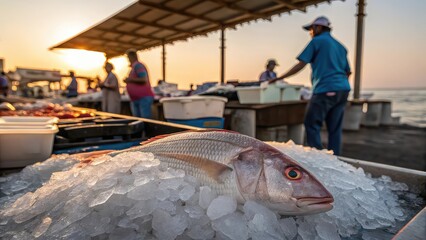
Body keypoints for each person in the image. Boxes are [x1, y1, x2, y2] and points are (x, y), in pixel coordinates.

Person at [269, 16, 351, 155]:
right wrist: (339, 85)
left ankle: (318, 159)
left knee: (311, 124)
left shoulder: (317, 41)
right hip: (343, 89)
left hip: (325, 89)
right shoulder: (341, 46)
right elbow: (348, 71)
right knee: (335, 128)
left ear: (318, 28)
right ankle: (335, 159)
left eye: (311, 29)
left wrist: (279, 78)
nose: (310, 32)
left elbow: (301, 64)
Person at [124, 49, 155, 118]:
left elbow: (144, 79)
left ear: (133, 56)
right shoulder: (133, 67)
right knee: (138, 121)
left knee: (145, 121)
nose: (128, 59)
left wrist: (130, 80)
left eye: (128, 57)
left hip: (143, 98)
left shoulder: (138, 66)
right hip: (136, 99)